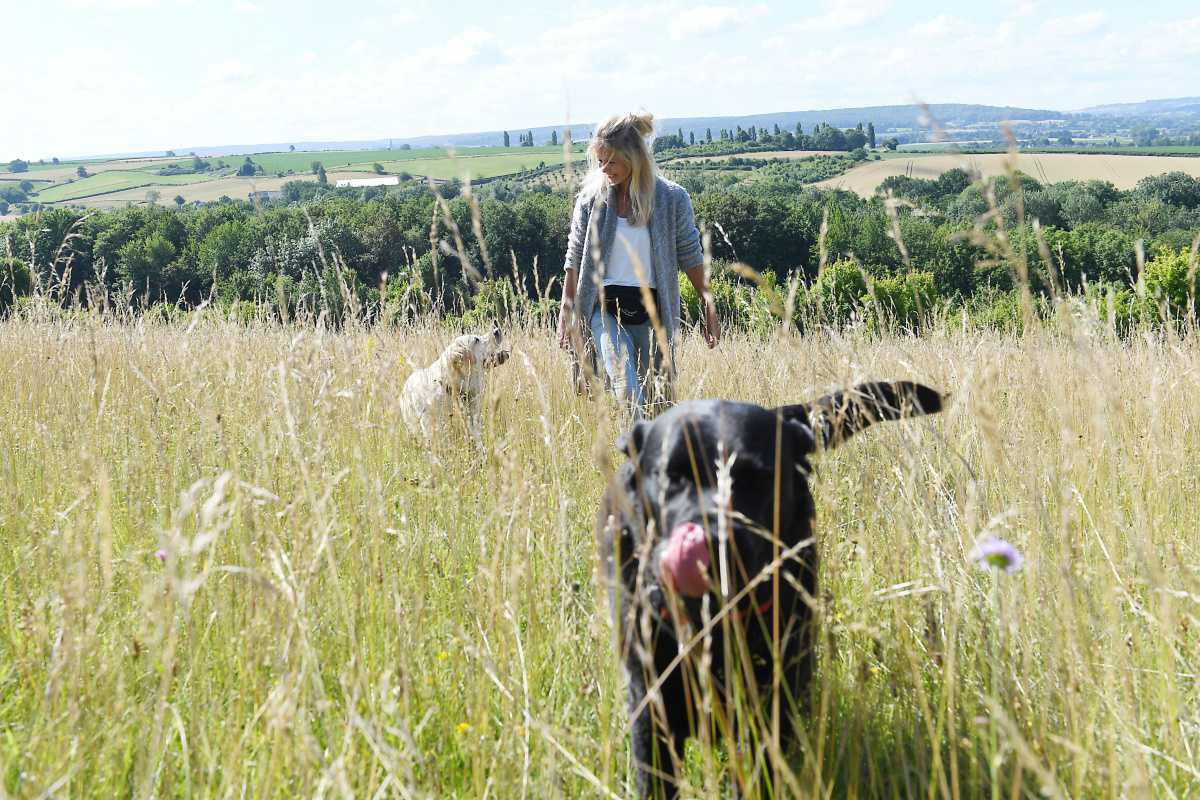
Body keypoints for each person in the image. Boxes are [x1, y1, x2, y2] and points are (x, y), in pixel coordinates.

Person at [557, 111, 719, 418]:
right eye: (600, 161)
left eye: (612, 161)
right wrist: (567, 306)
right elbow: (574, 255)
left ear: (634, 157)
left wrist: (707, 303)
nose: (605, 169)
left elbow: (690, 255)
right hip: (604, 311)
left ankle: (649, 462)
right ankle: (637, 456)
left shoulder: (672, 199)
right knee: (627, 390)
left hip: (653, 315)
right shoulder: (591, 200)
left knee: (657, 405)